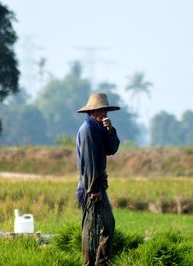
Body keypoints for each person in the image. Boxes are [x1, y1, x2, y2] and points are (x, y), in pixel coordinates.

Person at [76, 93, 120, 266]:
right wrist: (93, 189)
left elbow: (112, 149)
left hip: (96, 185)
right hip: (90, 187)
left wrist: (110, 131)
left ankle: (98, 262)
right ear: (94, 111)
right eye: (102, 110)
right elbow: (88, 163)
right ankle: (96, 263)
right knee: (97, 226)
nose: (105, 114)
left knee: (99, 226)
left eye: (106, 110)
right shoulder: (88, 130)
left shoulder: (98, 128)